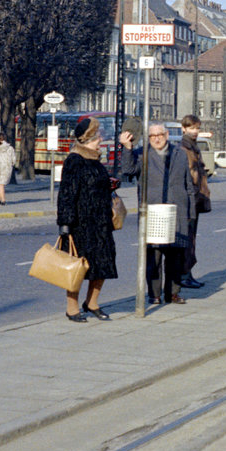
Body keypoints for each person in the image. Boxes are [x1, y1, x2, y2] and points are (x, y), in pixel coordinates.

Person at [120, 122, 196, 306]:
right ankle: (154, 294)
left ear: (167, 134)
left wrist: (191, 211)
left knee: (175, 256)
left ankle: (173, 293)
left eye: (160, 134)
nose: (156, 139)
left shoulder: (179, 154)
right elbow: (128, 170)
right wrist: (127, 148)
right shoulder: (142, 155)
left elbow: (188, 184)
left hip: (176, 210)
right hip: (153, 212)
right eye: (152, 136)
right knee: (153, 257)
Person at [56, 117, 117, 322]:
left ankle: (92, 302)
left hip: (100, 222)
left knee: (103, 263)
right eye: (98, 134)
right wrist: (65, 224)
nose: (101, 138)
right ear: (90, 137)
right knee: (78, 268)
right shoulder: (74, 160)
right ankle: (71, 307)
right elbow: (66, 194)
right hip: (81, 224)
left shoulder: (95, 159)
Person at [178, 114, 210, 289]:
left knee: (191, 239)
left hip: (194, 198)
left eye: (197, 128)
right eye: (191, 128)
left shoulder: (193, 147)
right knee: (188, 238)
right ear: (184, 129)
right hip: (189, 198)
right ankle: (184, 275)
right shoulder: (184, 148)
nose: (195, 131)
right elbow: (188, 175)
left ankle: (187, 274)